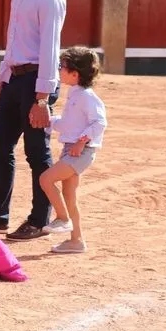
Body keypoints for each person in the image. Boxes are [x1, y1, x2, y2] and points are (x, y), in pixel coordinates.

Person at [0, 0, 67, 241]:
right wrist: (1, 81)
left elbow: (49, 49)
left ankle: (39, 219)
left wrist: (42, 98)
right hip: (15, 79)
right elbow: (13, 43)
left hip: (36, 81)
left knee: (36, 151)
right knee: (0, 146)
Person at [39, 46, 107, 254]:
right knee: (69, 196)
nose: (59, 70)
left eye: (62, 66)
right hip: (72, 149)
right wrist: (48, 121)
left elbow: (100, 122)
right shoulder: (76, 94)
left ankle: (62, 218)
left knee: (46, 179)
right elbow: (70, 124)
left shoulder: (86, 96)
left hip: (81, 151)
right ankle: (76, 241)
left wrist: (81, 142)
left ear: (75, 74)